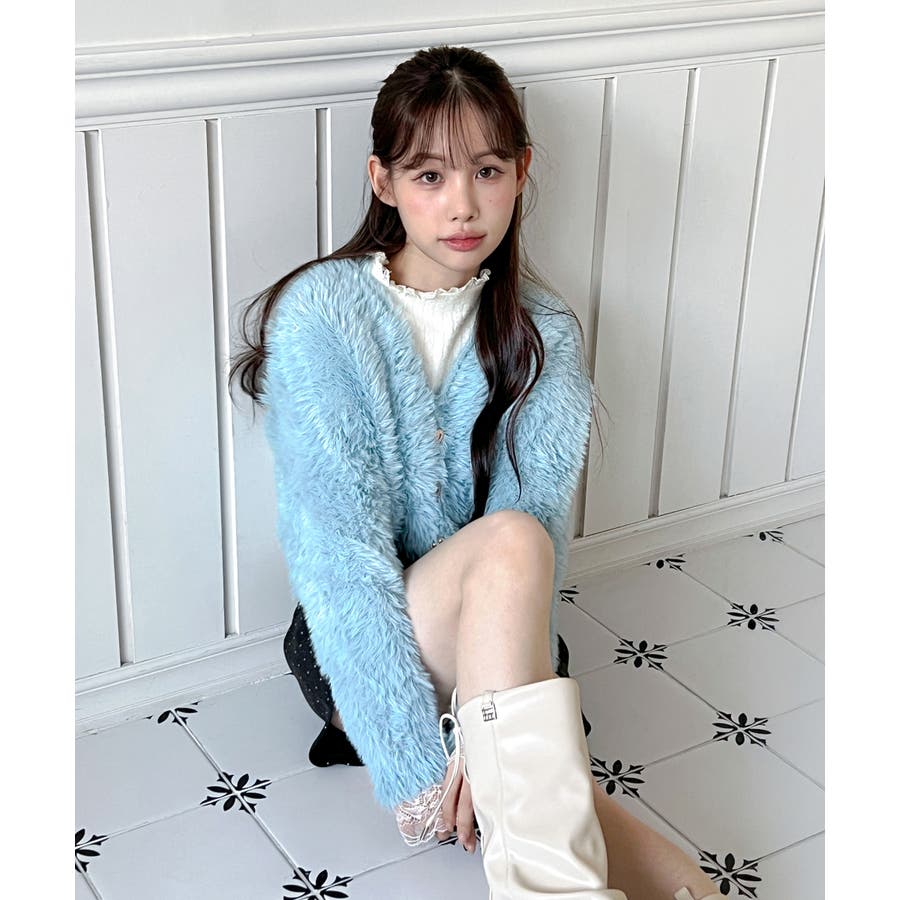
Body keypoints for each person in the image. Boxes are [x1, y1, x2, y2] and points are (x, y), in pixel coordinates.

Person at [229, 44, 720, 900]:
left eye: (487, 171)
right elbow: (337, 552)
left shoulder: (541, 333)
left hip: (495, 632)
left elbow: (538, 552)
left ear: (520, 172)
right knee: (513, 554)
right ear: (384, 183)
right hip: (361, 644)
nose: (463, 205)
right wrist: (422, 764)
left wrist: (488, 739)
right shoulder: (323, 317)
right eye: (430, 176)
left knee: (543, 761)